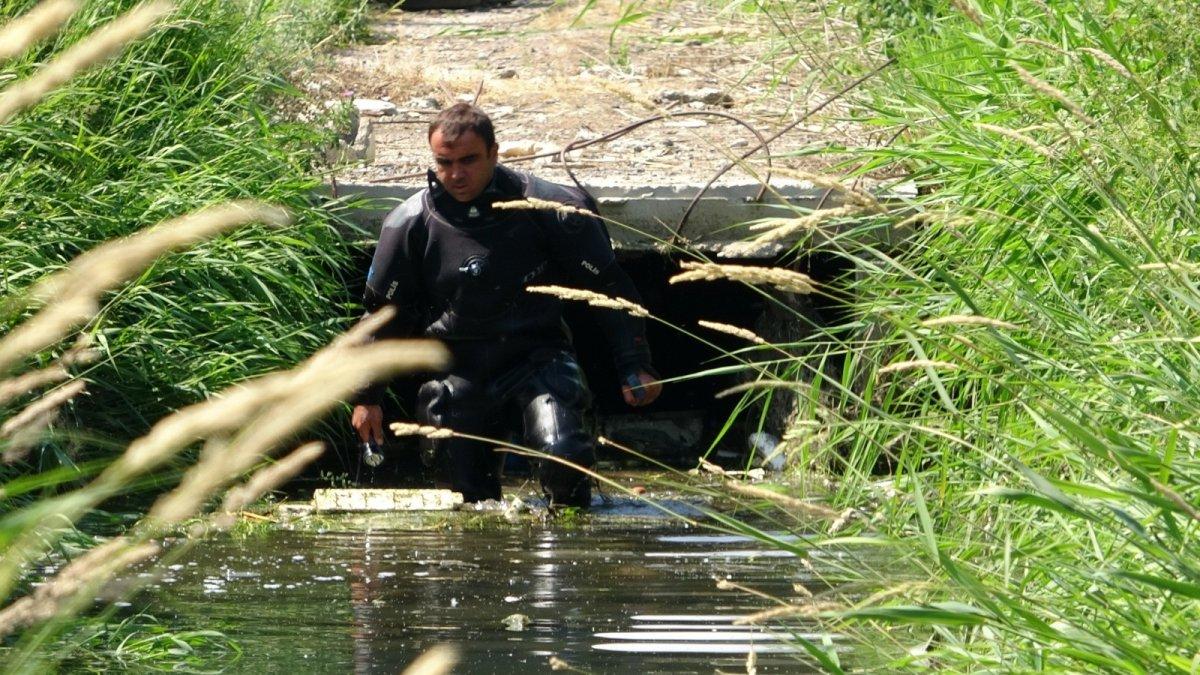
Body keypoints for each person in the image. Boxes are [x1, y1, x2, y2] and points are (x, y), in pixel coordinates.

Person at [350, 102, 661, 507]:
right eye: (444, 163)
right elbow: (385, 316)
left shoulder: (550, 209)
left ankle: (569, 533)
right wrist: (367, 395)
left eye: (469, 160)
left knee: (564, 457)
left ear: (494, 153)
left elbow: (608, 288)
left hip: (538, 357)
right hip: (457, 368)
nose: (456, 175)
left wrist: (634, 362)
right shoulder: (410, 224)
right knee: (463, 499)